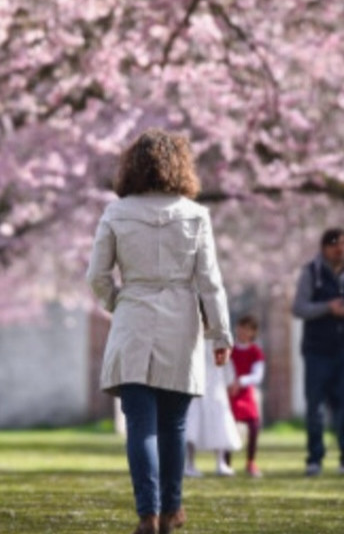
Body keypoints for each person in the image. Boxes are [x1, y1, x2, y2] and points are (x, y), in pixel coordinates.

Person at [87, 129, 232, 534]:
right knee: (174, 425)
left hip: (133, 319)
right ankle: (171, 511)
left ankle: (146, 514)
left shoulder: (116, 213)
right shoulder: (196, 215)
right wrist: (220, 334)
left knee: (140, 425)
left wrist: (118, 300)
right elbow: (210, 281)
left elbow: (96, 275)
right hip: (180, 324)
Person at [291, 227, 344, 477]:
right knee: (315, 406)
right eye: (335, 245)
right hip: (317, 349)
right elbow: (299, 308)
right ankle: (315, 458)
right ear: (324, 248)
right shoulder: (311, 273)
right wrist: (327, 308)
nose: (340, 250)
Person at [183, 353, 241, 478]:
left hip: (215, 381)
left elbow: (225, 349)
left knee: (219, 421)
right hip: (194, 379)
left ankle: (221, 462)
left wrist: (230, 378)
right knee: (192, 423)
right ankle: (189, 463)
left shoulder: (217, 336)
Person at [226, 314, 266, 477]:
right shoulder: (230, 350)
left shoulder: (255, 352)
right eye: (241, 327)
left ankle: (251, 461)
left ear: (252, 332)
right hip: (230, 393)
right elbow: (224, 369)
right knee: (228, 427)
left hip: (246, 393)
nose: (242, 331)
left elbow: (258, 375)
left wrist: (241, 382)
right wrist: (230, 384)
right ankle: (226, 462)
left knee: (253, 426)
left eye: (247, 329)